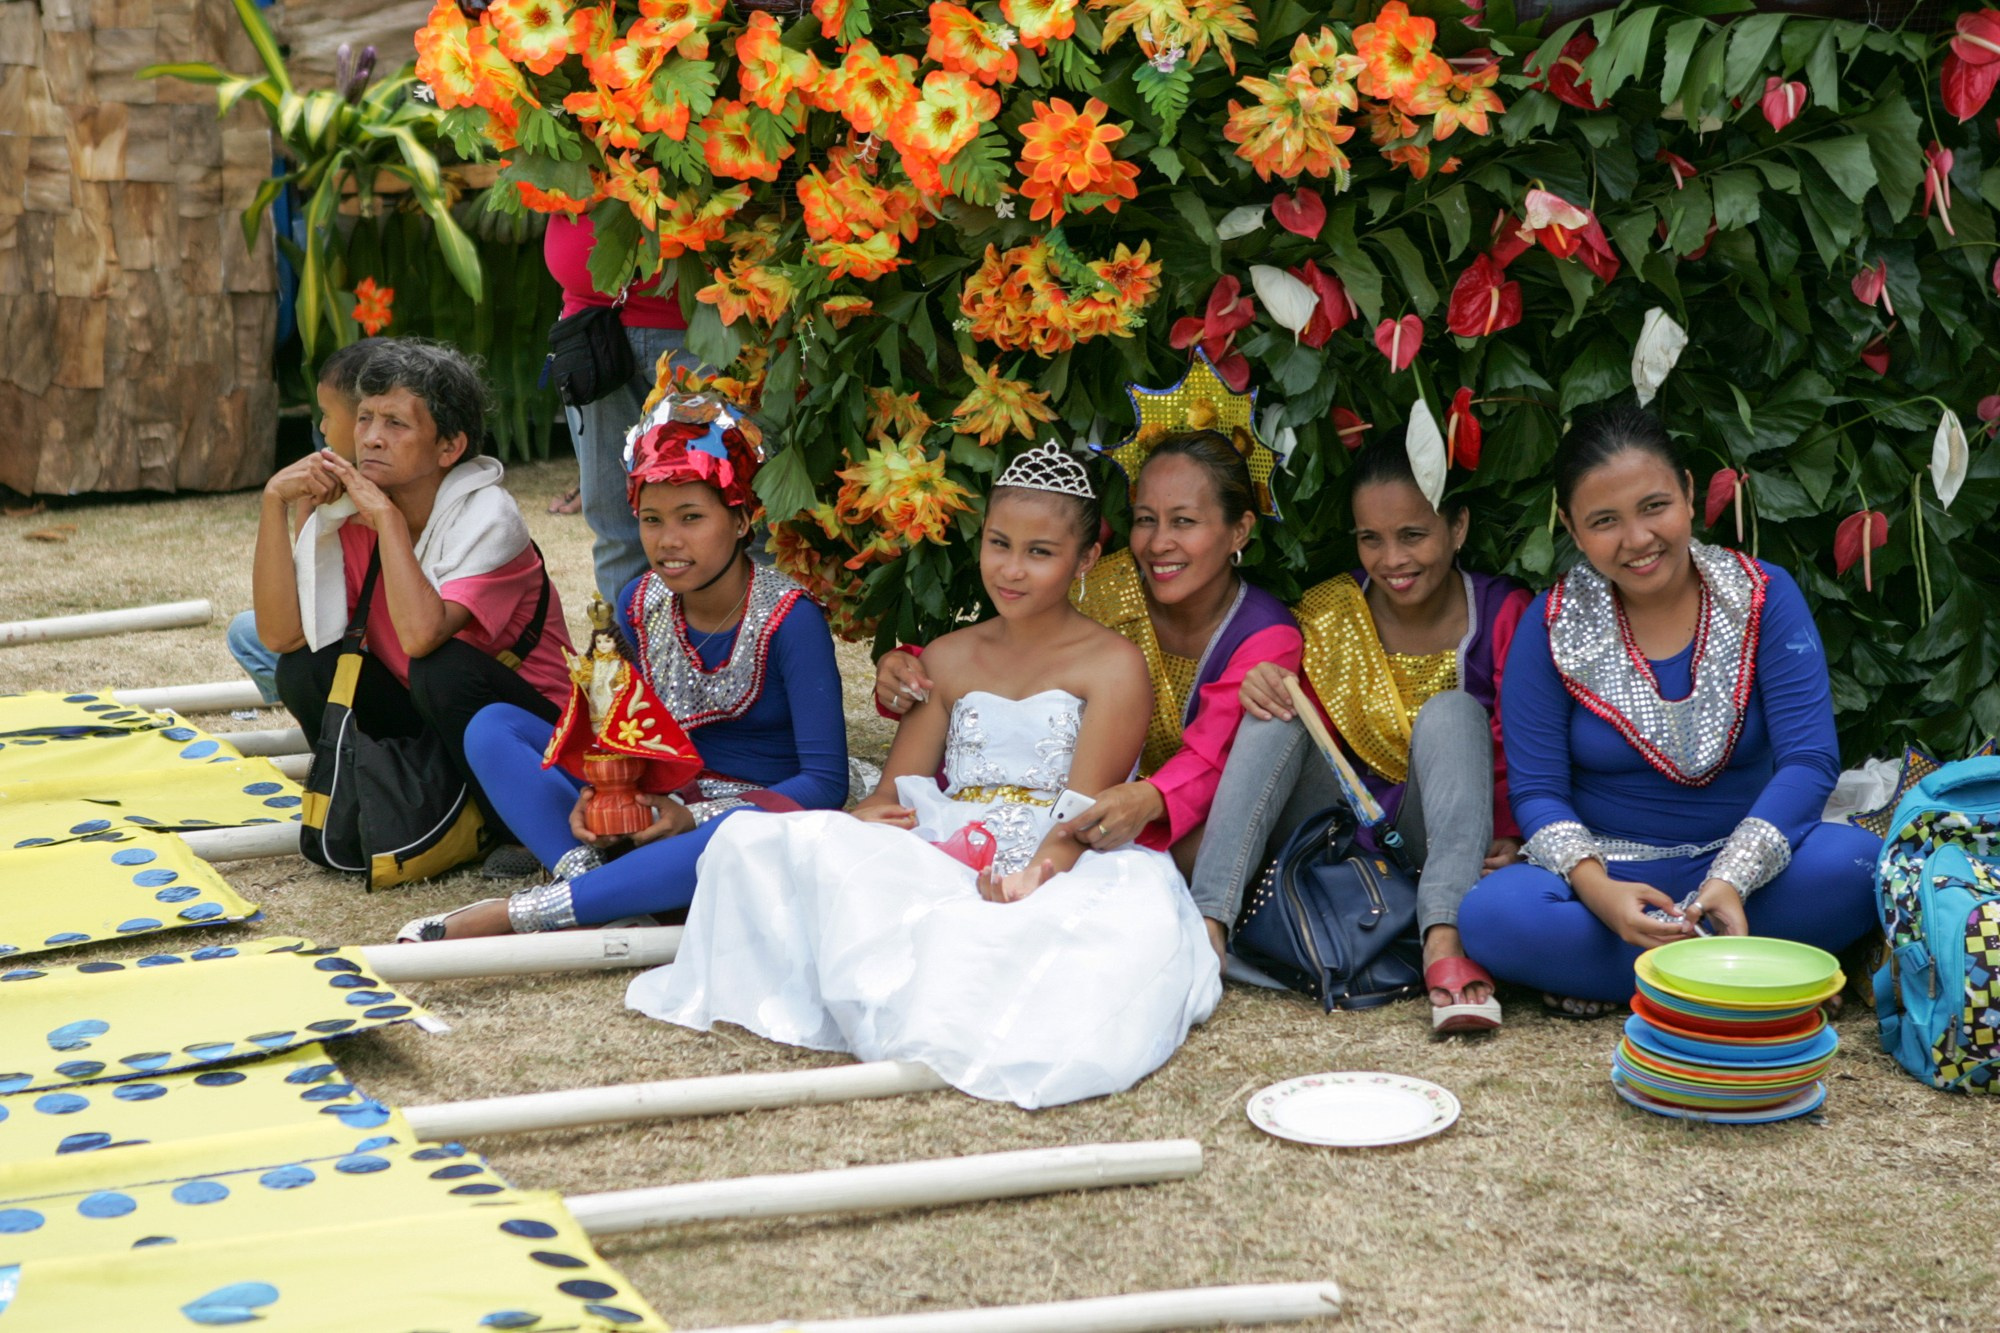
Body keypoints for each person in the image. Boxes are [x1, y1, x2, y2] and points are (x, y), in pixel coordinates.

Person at [628, 442, 1221, 1108]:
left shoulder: (1113, 663)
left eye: (1040, 552)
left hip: (1063, 853)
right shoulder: (947, 656)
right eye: (999, 544)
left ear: (1084, 560)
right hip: (945, 839)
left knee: (1032, 945)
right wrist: (869, 821)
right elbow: (893, 792)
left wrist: (1035, 874)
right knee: (751, 840)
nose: (1011, 570)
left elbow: (1082, 812)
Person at [1457, 406, 1882, 1012]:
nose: (1637, 540)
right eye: (1605, 521)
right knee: (1493, 915)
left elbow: (1809, 761)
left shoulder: (1762, 594)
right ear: (1571, 527)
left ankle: (1628, 976)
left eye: (1654, 506)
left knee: (1858, 866)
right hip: (1609, 879)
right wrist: (1600, 893)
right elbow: (1538, 792)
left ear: (1687, 492)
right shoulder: (1551, 623)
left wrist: (1731, 877)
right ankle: (1747, 971)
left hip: (1753, 876)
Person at [397, 393, 848, 940]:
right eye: (651, 520)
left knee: (733, 834)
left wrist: (695, 816)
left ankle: (525, 913)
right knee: (493, 727)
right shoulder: (640, 601)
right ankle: (600, 883)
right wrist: (604, 795)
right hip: (662, 802)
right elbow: (625, 739)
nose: (668, 540)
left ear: (739, 520)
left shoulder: (792, 618)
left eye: (692, 518)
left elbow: (825, 784)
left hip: (748, 817)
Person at [875, 430, 1302, 960]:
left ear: (1239, 530)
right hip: (1058, 811)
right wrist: (909, 667)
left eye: (1183, 522)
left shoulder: (1263, 634)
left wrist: (1148, 800)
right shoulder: (1102, 586)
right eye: (1145, 519)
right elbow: (1016, 649)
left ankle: (1210, 922)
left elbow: (1218, 754)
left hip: (1181, 819)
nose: (1158, 543)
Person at [1189, 431, 1531, 1032]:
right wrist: (1262, 682)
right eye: (1371, 538)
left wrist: (1511, 836)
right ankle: (1207, 926)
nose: (1391, 559)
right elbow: (1295, 746)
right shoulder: (1329, 612)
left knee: (1453, 712)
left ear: (1457, 527)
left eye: (1413, 535)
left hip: (1445, 842)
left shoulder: (1503, 611)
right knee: (1280, 702)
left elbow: (1523, 742)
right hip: (1337, 834)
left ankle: (1444, 938)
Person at [252, 339, 572, 846]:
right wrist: (275, 501)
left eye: (395, 424)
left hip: (536, 735)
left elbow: (423, 636)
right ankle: (382, 803)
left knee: (441, 668)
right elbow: (281, 636)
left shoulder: (489, 518)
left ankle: (510, 830)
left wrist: (387, 520)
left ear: (450, 447)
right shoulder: (347, 512)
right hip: (435, 718)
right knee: (306, 667)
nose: (371, 439)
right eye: (365, 418)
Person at [546, 211, 697, 606]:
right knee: (614, 518)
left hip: (705, 322)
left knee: (732, 511)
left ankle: (741, 641)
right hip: (592, 325)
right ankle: (627, 643)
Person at [226, 338, 382, 703]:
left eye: (327, 414)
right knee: (246, 632)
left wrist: (277, 497)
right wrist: (288, 503)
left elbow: (289, 634)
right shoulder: (341, 492)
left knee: (297, 662)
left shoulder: (385, 498)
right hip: (350, 646)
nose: (323, 428)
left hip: (383, 664)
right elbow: (295, 609)